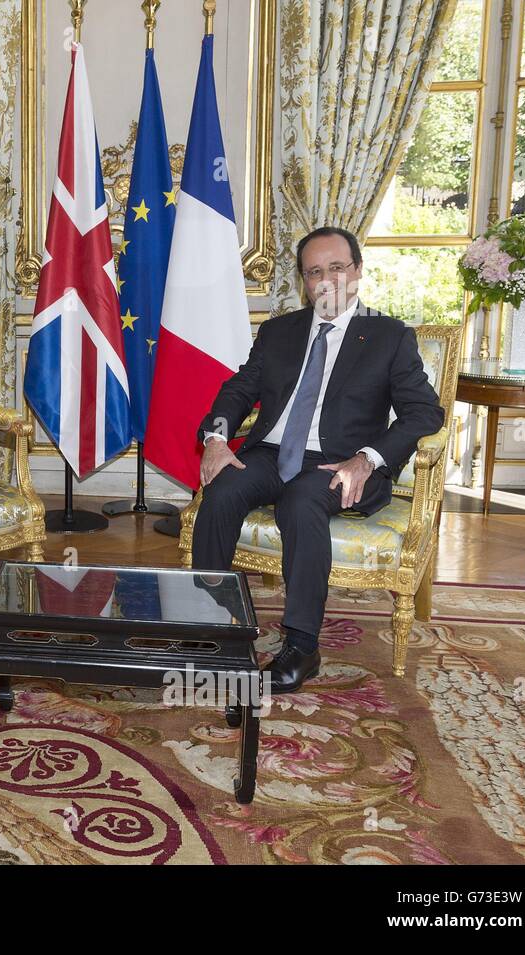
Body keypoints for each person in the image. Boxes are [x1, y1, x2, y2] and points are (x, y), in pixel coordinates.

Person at [192, 226, 445, 692]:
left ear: (358, 272)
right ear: (304, 281)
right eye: (314, 272)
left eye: (336, 267)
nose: (326, 280)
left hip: (340, 462)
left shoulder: (388, 336)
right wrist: (217, 438)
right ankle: (213, 627)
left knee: (302, 500)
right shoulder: (279, 332)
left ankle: (302, 645)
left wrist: (369, 458)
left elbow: (424, 411)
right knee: (223, 489)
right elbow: (238, 391)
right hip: (270, 452)